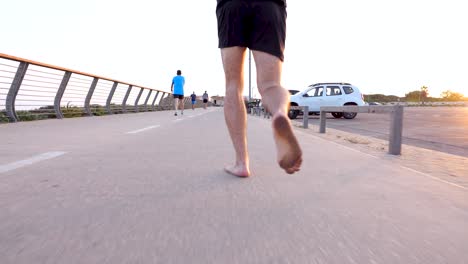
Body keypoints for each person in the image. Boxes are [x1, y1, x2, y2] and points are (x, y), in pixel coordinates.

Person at [216, 0, 302, 177]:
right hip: (269, 5)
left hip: (232, 5)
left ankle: (241, 163)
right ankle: (279, 113)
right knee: (270, 85)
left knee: (233, 86)